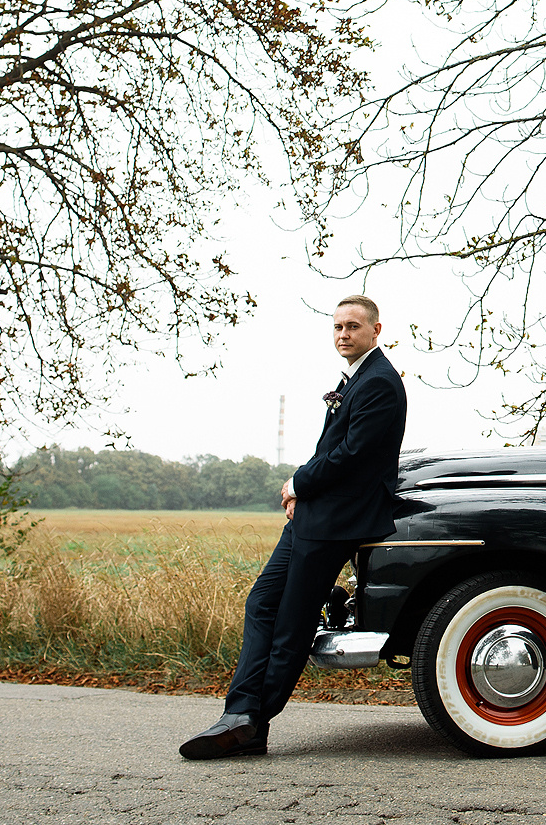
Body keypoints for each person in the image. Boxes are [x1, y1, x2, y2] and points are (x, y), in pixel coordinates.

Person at [179, 294, 407, 760]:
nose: (343, 334)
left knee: (292, 621)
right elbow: (333, 450)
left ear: (376, 331)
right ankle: (239, 712)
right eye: (338, 327)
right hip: (314, 516)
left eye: (353, 327)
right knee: (263, 600)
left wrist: (300, 482)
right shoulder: (357, 377)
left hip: (340, 520)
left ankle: (250, 722)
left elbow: (353, 457)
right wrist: (302, 491)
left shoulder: (380, 382)